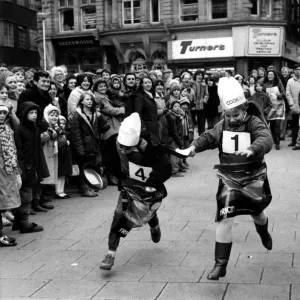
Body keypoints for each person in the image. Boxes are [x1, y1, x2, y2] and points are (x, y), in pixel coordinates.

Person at [185, 77, 273, 281]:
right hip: (228, 178)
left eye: (236, 114)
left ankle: (264, 232)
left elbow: (265, 137)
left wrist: (253, 148)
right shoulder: (223, 123)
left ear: (245, 109)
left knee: (257, 213)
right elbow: (208, 137)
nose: (232, 119)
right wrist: (193, 147)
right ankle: (220, 264)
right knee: (224, 218)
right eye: (228, 115)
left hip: (253, 177)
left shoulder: (254, 121)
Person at [100, 113, 172, 270]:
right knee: (119, 215)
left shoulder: (151, 143)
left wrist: (153, 182)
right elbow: (105, 160)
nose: (124, 150)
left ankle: (154, 225)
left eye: (128, 147)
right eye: (122, 146)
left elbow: (165, 165)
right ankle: (110, 254)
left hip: (149, 184)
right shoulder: (112, 142)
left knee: (147, 210)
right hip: (128, 184)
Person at [13, 101, 49, 232]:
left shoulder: (34, 127)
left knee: (27, 193)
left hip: (33, 165)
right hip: (25, 166)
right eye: (31, 113)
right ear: (24, 113)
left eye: (36, 113)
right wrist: (22, 169)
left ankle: (19, 222)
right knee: (26, 195)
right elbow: (19, 151)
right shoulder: (19, 129)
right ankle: (24, 223)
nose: (34, 115)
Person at [70, 93, 110, 197]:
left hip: (94, 145)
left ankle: (90, 186)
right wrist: (80, 149)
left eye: (91, 99)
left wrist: (100, 116)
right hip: (83, 145)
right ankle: (84, 189)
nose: (89, 101)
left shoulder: (95, 114)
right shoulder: (77, 115)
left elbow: (105, 128)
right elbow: (76, 134)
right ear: (81, 101)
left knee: (91, 167)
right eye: (87, 99)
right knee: (82, 167)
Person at [0, 104, 21, 246]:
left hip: (6, 170)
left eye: (3, 113)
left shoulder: (7, 129)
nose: (1, 116)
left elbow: (12, 150)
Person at [263, 70, 285, 150]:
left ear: (274, 75)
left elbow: (283, 92)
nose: (270, 76)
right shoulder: (265, 85)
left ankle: (277, 142)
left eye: (271, 74)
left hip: (278, 107)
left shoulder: (278, 83)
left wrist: (280, 95)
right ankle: (274, 140)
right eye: (269, 74)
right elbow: (263, 95)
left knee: (277, 124)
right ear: (267, 76)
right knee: (272, 125)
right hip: (270, 107)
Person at [56, 115, 72, 199]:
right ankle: (58, 191)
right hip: (59, 155)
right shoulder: (58, 133)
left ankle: (61, 190)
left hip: (65, 156)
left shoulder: (66, 133)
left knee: (63, 174)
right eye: (60, 123)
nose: (62, 125)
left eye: (63, 123)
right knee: (60, 174)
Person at [166, 100, 184, 177]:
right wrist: (179, 140)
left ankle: (177, 168)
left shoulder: (177, 115)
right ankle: (174, 171)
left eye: (178, 106)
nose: (177, 108)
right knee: (174, 155)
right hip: (174, 138)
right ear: (171, 107)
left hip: (177, 137)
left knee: (177, 154)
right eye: (175, 106)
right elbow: (173, 131)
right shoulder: (172, 117)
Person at [286, 64, 300, 148]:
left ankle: (298, 142)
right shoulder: (290, 81)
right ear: (293, 71)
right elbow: (288, 93)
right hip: (294, 105)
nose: (298, 71)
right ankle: (294, 141)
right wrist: (291, 104)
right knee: (294, 125)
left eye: (299, 69)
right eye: (296, 69)